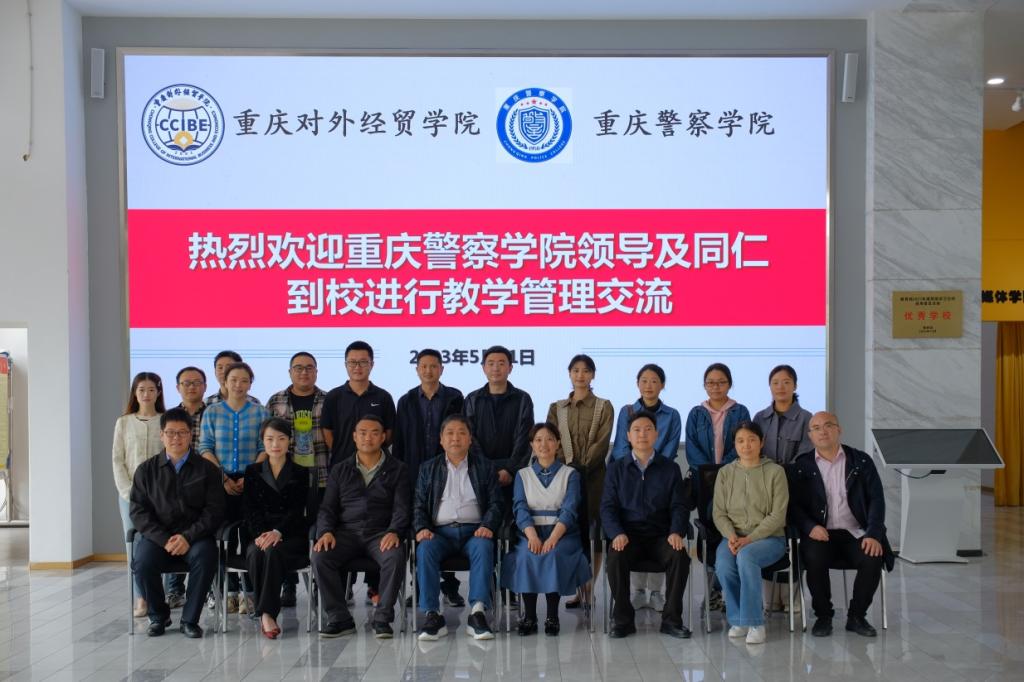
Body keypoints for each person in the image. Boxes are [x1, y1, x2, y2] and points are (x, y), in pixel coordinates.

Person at [787, 411, 893, 639]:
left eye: (828, 425)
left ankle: (857, 616)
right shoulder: (801, 465)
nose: (823, 431)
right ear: (810, 435)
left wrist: (873, 533)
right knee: (814, 557)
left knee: (872, 556)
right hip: (820, 533)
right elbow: (793, 506)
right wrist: (809, 527)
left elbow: (877, 499)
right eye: (816, 428)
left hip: (856, 532)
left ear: (839, 429)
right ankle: (823, 616)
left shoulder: (861, 461)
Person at [130, 408, 225, 638]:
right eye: (170, 433)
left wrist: (187, 537)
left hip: (195, 537)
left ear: (191, 435)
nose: (176, 438)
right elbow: (139, 512)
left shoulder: (207, 469)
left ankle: (189, 620)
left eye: (182, 432)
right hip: (159, 538)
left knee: (206, 557)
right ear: (161, 435)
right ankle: (158, 616)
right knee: (142, 562)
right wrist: (164, 540)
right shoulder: (146, 470)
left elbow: (214, 511)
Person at [312, 415, 410, 639]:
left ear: (383, 437)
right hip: (346, 533)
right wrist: (325, 531)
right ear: (354, 437)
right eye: (363, 433)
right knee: (320, 556)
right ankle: (339, 618)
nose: (368, 437)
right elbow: (327, 508)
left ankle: (382, 619)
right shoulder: (340, 469)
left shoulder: (398, 469)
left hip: (380, 533)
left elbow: (402, 508)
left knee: (395, 556)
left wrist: (394, 531)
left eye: (374, 433)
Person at [601, 411, 691, 640]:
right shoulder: (616, 469)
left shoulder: (670, 468)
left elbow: (679, 506)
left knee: (679, 556)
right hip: (628, 536)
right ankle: (623, 620)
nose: (642, 434)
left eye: (648, 429)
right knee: (615, 556)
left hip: (661, 536)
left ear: (656, 435)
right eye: (637, 430)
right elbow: (608, 508)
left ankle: (671, 620)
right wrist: (616, 533)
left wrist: (676, 532)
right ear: (628, 436)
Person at [321, 340, 397, 605]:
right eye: (352, 362)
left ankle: (375, 588)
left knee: (377, 523)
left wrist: (371, 452)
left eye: (363, 362)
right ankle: (344, 589)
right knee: (344, 526)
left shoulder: (383, 397)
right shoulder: (334, 397)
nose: (357, 367)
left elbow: (389, 433)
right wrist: (350, 456)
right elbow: (328, 433)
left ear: (371, 364)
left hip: (377, 470)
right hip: (344, 473)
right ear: (345, 365)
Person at [414, 415, 503, 641]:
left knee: (484, 546)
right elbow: (418, 505)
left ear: (470, 439)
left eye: (462, 433)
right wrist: (422, 527)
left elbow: (496, 503)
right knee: (424, 549)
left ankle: (478, 613)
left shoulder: (485, 466)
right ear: (441, 439)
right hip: (439, 533)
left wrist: (487, 525)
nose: (456, 438)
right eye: (450, 433)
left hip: (475, 531)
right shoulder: (428, 468)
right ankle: (432, 615)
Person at [502, 423, 590, 636]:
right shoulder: (522, 475)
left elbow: (570, 509)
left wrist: (553, 538)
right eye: (538, 440)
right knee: (526, 556)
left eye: (550, 439)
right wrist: (532, 535)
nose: (544, 444)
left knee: (554, 555)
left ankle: (552, 616)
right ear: (532, 445)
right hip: (529, 533)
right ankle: (530, 617)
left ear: (558, 443)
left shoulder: (571, 474)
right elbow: (520, 507)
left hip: (563, 534)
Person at [393, 348, 465, 608]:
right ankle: (421, 587)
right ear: (417, 370)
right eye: (423, 366)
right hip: (414, 474)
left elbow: (460, 434)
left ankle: (450, 587)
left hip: (447, 473)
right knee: (421, 532)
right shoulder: (406, 401)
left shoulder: (455, 397)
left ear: (441, 369)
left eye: (433, 366)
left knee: (446, 527)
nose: (428, 370)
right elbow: (400, 441)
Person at [609, 363, 681, 612]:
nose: (649, 385)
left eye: (654, 381)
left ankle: (657, 594)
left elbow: (670, 448)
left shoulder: (672, 415)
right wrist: (631, 465)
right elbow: (620, 445)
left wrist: (653, 464)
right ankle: (637, 592)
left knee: (663, 530)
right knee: (630, 528)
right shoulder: (627, 411)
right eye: (644, 380)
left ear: (662, 385)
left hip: (659, 472)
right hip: (628, 471)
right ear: (637, 384)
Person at [199, 361, 269, 612]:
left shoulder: (261, 413)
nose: (238, 385)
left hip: (252, 481)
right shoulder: (212, 412)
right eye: (233, 380)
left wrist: (249, 477)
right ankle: (228, 592)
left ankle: (249, 592)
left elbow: (264, 448)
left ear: (250, 384)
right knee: (222, 538)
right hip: (220, 481)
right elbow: (205, 447)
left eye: (244, 380)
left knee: (250, 537)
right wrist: (224, 478)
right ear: (225, 382)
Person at [712, 420, 789, 645]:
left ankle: (755, 623)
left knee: (746, 557)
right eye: (740, 441)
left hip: (769, 538)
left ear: (761, 442)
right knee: (724, 565)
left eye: (752, 440)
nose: (746, 445)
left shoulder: (776, 472)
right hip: (733, 537)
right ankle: (739, 620)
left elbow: (778, 515)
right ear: (734, 445)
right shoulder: (725, 473)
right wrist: (732, 536)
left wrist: (749, 539)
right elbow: (718, 512)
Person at [546, 354, 612, 610]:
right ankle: (576, 589)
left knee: (594, 532)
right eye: (575, 370)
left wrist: (582, 465)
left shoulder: (604, 406)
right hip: (564, 478)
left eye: (585, 371)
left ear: (592, 375)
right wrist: (568, 467)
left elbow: (602, 442)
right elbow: (551, 440)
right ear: (569, 374)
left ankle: (589, 588)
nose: (580, 375)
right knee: (571, 530)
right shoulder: (557, 407)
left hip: (594, 478)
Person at [266, 351, 329, 607]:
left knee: (318, 529)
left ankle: (319, 583)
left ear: (316, 371)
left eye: (309, 368)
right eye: (299, 368)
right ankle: (288, 585)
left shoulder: (328, 400)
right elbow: (269, 438)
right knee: (286, 529)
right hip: (286, 478)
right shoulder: (276, 401)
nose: (304, 372)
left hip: (321, 475)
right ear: (290, 372)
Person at [243, 417, 310, 639]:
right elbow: (250, 509)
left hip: (290, 535)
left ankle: (266, 613)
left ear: (289, 441)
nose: (275, 444)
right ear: (262, 441)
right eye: (270, 439)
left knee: (272, 551)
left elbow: (297, 511)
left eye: (281, 438)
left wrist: (277, 532)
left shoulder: (300, 472)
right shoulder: (252, 471)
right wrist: (261, 534)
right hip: (260, 533)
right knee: (255, 552)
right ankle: (266, 613)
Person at [112, 371, 166, 618]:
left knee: (160, 542)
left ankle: (161, 595)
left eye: (151, 389)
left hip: (162, 496)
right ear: (135, 393)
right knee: (134, 546)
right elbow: (117, 460)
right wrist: (128, 492)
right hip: (130, 496)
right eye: (141, 389)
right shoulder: (124, 422)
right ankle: (141, 597)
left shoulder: (165, 421)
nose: (146, 394)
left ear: (158, 392)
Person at [166, 366, 209, 608]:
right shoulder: (171, 416)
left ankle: (209, 590)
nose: (192, 387)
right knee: (175, 527)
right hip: (177, 480)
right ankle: (175, 589)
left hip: (206, 479)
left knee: (203, 534)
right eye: (186, 383)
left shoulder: (213, 412)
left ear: (205, 386)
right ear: (178, 387)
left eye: (197, 383)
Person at [685, 363, 751, 469]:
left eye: (721, 382)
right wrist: (708, 470)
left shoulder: (741, 412)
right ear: (704, 385)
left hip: (733, 473)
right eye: (710, 382)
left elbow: (743, 444)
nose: (715, 387)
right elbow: (691, 447)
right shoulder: (695, 413)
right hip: (702, 474)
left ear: (729, 384)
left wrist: (722, 470)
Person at [752, 365, 813, 465]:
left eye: (786, 382)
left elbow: (805, 453)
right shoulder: (759, 418)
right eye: (775, 383)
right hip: (762, 473)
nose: (780, 387)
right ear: (770, 387)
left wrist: (782, 472)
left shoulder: (806, 418)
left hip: (795, 474)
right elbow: (753, 450)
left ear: (795, 386)